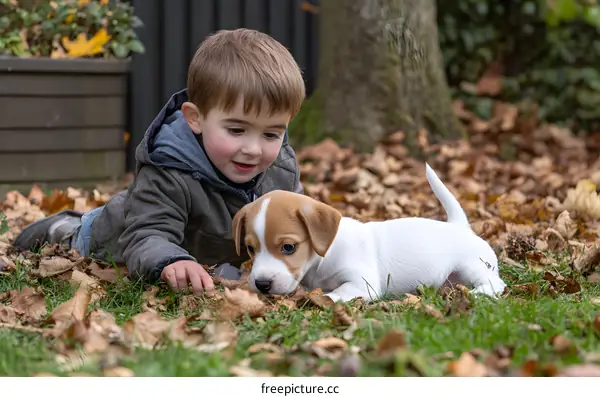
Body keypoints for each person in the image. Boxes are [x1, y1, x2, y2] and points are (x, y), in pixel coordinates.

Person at [12, 28, 306, 295]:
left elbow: (297, 230)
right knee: (74, 236)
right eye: (236, 130)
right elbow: (147, 233)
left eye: (271, 133)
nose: (253, 149)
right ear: (196, 119)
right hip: (114, 238)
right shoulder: (169, 170)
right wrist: (172, 259)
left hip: (201, 252)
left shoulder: (281, 171)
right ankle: (58, 226)